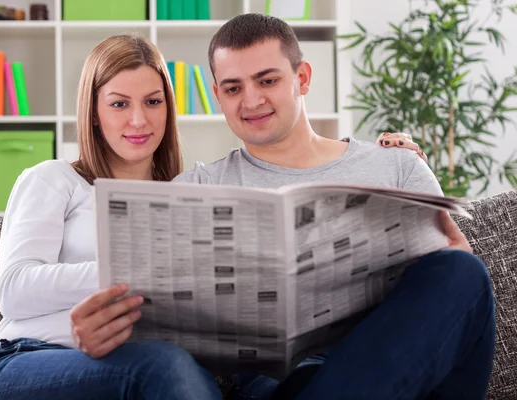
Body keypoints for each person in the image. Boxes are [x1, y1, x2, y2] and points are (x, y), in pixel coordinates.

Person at [0, 33, 428, 400]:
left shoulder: (184, 195)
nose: (139, 121)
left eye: (152, 101)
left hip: (135, 361)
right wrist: (138, 273)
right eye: (119, 103)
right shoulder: (55, 179)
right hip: (25, 359)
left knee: (185, 371)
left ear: (170, 106)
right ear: (94, 111)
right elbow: (15, 289)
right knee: (166, 368)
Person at [173, 13, 495, 400]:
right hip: (289, 377)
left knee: (462, 270)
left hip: (398, 354)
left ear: (302, 78)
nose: (251, 100)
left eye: (267, 80)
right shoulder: (201, 187)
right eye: (232, 88)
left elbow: (457, 291)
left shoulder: (397, 164)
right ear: (217, 94)